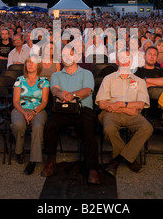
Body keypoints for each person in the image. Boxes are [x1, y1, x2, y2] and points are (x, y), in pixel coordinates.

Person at [41, 46, 100, 185]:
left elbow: (87, 90)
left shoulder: (86, 73)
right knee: (50, 126)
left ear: (77, 57)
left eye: (70, 54)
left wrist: (72, 95)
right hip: (63, 109)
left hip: (82, 110)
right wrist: (61, 94)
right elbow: (54, 89)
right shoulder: (56, 75)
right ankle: (50, 161)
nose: (67, 57)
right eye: (64, 55)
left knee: (89, 131)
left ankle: (92, 168)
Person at [96, 48, 152, 177]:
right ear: (117, 61)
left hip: (132, 115)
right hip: (111, 113)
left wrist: (121, 104)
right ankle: (130, 158)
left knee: (147, 128)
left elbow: (140, 105)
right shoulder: (108, 79)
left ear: (131, 61)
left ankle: (116, 160)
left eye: (127, 58)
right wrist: (126, 109)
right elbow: (103, 104)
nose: (125, 62)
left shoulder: (139, 81)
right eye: (122, 59)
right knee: (109, 130)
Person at [11, 55, 49, 175]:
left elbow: (44, 102)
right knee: (18, 124)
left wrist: (33, 112)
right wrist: (24, 113)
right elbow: (16, 101)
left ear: (38, 65)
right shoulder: (19, 80)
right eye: (28, 62)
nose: (30, 64)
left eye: (33, 62)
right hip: (20, 109)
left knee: (38, 126)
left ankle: (33, 160)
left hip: (38, 110)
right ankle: (19, 151)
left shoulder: (44, 81)